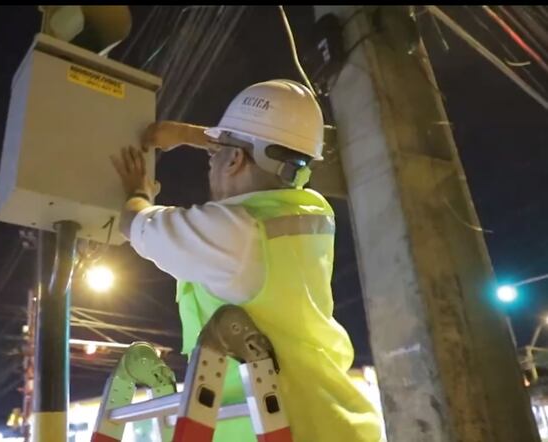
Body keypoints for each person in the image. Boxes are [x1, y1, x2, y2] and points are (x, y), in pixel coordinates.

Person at [110, 79, 383, 441]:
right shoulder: (308, 215)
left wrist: (137, 192)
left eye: (214, 153)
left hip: (281, 429)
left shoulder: (234, 232)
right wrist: (186, 134)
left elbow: (136, 224)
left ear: (235, 158)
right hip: (334, 421)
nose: (210, 162)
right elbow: (265, 150)